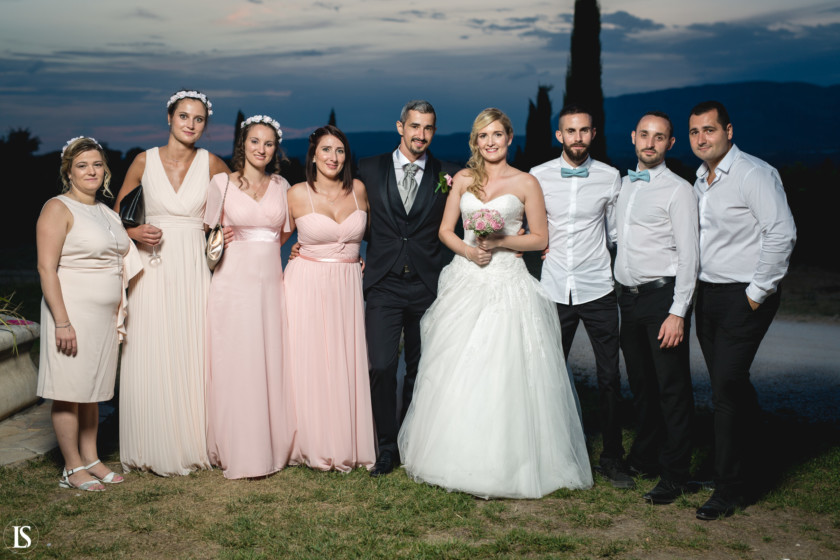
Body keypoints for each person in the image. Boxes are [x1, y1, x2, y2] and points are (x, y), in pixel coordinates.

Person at [398, 108, 592, 499]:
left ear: (508, 138)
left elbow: (538, 238)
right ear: (476, 141)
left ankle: (509, 461)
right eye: (483, 136)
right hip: (466, 279)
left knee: (505, 367)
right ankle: (453, 454)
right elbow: (445, 231)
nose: (490, 142)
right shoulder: (465, 180)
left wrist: (502, 242)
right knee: (456, 365)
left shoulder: (526, 182)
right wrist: (469, 253)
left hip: (507, 282)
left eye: (498, 135)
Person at [688, 101, 796, 520]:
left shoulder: (754, 173)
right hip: (709, 294)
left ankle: (729, 487)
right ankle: (754, 461)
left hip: (745, 295)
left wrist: (757, 291)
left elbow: (782, 232)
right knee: (727, 384)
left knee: (726, 387)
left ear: (728, 131)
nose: (702, 138)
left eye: (709, 130)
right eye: (695, 131)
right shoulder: (700, 180)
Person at [115, 90, 230, 476]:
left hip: (194, 269)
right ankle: (151, 441)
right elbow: (118, 215)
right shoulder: (142, 161)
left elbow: (241, 210)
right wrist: (134, 232)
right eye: (184, 116)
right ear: (169, 118)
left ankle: (193, 439)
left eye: (198, 120)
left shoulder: (213, 163)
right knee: (149, 346)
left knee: (191, 347)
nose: (190, 125)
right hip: (152, 266)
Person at [530, 105, 631, 489]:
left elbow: (615, 232)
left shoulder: (610, 177)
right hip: (554, 287)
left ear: (593, 134)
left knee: (609, 376)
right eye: (570, 131)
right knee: (548, 373)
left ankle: (612, 458)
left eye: (584, 131)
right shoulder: (538, 176)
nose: (577, 138)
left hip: (597, 288)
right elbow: (527, 224)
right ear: (559, 135)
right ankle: (548, 452)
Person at [358, 100, 459, 476]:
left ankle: (410, 441)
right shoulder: (368, 169)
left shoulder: (449, 173)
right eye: (414, 126)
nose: (420, 135)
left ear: (434, 131)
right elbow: (346, 208)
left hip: (427, 284)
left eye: (428, 128)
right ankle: (385, 445)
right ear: (400, 126)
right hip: (383, 284)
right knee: (381, 365)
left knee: (421, 369)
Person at [36, 137, 142, 491]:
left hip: (103, 317)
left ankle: (92, 459)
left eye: (97, 164)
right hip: (72, 313)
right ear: (69, 171)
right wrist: (62, 321)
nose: (91, 171)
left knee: (92, 390)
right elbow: (46, 268)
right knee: (69, 390)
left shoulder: (107, 212)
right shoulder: (58, 207)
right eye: (82, 165)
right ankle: (71, 467)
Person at [614, 111, 699, 505]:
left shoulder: (679, 190)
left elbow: (689, 256)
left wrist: (678, 311)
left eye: (659, 137)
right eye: (644, 135)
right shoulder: (626, 185)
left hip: (662, 299)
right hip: (628, 299)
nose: (650, 143)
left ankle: (676, 473)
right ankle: (645, 458)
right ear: (633, 137)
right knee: (643, 386)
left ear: (670, 144)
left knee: (672, 388)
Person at [204, 115, 296, 479]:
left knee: (269, 356)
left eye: (269, 143)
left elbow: (285, 232)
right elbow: (208, 231)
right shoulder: (221, 184)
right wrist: (229, 240)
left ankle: (269, 441)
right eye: (255, 141)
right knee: (235, 359)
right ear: (243, 144)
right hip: (231, 283)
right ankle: (235, 443)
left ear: (276, 149)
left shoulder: (283, 185)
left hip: (270, 284)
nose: (261, 149)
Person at [284, 125, 375, 472]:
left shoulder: (359, 191)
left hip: (347, 284)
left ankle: (345, 440)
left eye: (339, 150)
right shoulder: (295, 194)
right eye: (326, 150)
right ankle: (310, 442)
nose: (333, 157)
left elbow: (379, 237)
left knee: (343, 360)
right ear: (313, 155)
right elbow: (269, 238)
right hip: (306, 283)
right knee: (308, 363)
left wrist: (363, 258)